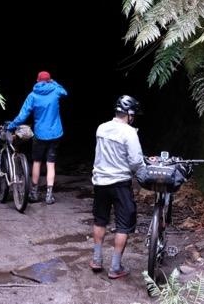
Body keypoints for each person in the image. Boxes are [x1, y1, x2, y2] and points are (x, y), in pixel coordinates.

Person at [90, 94, 144, 280]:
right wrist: (141, 170)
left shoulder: (101, 128)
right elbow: (135, 161)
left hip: (100, 182)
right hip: (120, 183)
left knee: (100, 220)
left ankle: (96, 259)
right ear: (129, 114)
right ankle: (115, 267)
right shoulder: (129, 132)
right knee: (123, 225)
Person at [7, 71, 68, 204]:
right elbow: (65, 92)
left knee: (37, 162)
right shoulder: (56, 91)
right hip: (55, 134)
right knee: (51, 164)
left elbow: (22, 116)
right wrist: (54, 82)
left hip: (40, 134)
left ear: (37, 81)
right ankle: (49, 196)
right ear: (49, 80)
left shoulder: (32, 96)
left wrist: (11, 126)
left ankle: (34, 193)